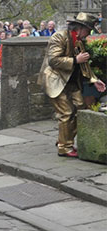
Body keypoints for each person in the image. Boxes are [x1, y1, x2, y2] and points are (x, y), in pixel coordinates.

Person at [38, 13, 106, 157]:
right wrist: (75, 60)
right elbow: (53, 61)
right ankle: (64, 147)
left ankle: (64, 138)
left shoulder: (79, 40)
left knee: (81, 109)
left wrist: (94, 80)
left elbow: (84, 65)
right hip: (55, 80)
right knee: (66, 112)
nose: (88, 35)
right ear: (80, 28)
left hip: (71, 81)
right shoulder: (59, 37)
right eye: (88, 31)